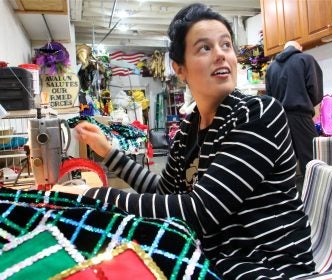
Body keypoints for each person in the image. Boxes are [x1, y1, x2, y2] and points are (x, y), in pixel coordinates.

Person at [74, 4, 316, 279]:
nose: (221, 55)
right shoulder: (189, 129)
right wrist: (108, 152)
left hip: (267, 266)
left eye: (226, 45)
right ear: (180, 69)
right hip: (216, 258)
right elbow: (162, 192)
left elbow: (200, 210)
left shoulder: (259, 114)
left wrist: (90, 196)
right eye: (205, 48)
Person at [265, 41, 323, 186]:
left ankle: (291, 200)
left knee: (285, 164)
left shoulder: (271, 68)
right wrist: (307, 104)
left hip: (279, 121)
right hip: (301, 116)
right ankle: (314, 201)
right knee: (312, 162)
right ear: (300, 48)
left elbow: (269, 96)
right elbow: (315, 90)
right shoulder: (305, 59)